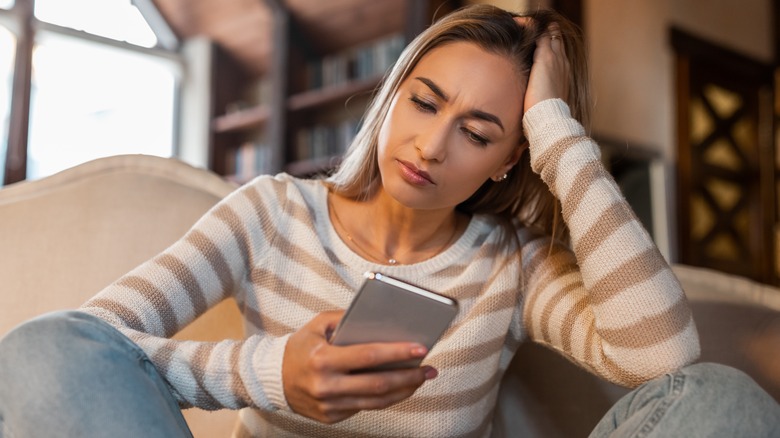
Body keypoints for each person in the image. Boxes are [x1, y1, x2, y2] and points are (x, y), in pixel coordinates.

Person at [0, 4, 778, 438]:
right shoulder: (273, 213)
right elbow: (85, 346)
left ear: (510, 158)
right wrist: (273, 377)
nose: (431, 146)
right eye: (425, 102)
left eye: (478, 133)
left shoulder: (512, 264)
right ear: (394, 94)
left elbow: (663, 358)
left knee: (721, 396)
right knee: (37, 348)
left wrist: (558, 131)